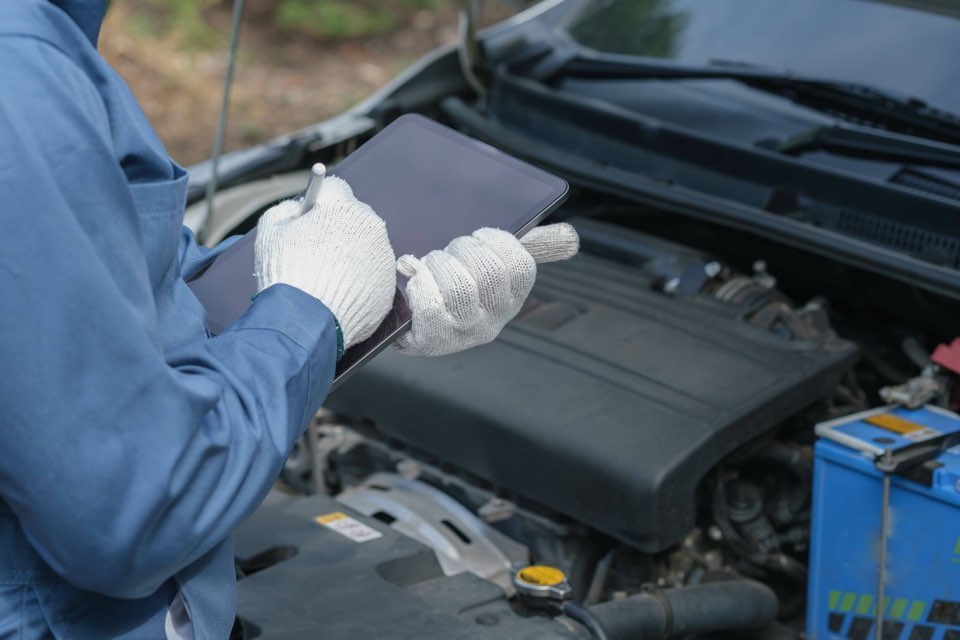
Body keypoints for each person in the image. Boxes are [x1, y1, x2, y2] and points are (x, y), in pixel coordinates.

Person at [0, 0, 579, 637]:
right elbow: (130, 510)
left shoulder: (53, 34)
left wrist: (362, 297)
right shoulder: (18, 71)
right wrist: (311, 311)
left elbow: (127, 286)